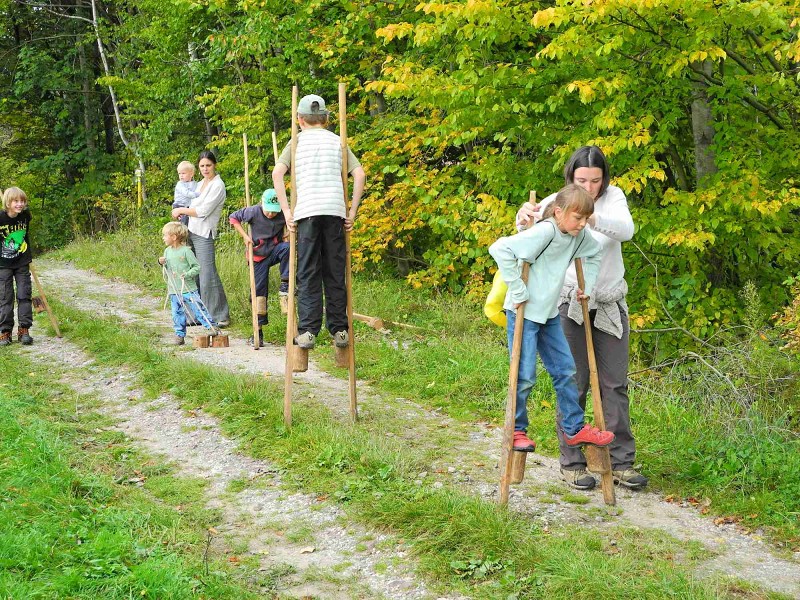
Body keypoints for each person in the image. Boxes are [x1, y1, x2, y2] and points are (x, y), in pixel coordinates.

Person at [517, 145, 647, 491]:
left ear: (604, 179)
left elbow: (627, 230)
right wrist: (524, 219)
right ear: (570, 178)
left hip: (607, 301)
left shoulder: (614, 198)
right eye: (581, 180)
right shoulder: (556, 201)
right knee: (573, 384)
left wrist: (591, 216)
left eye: (595, 180)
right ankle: (573, 463)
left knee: (614, 384)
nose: (589, 188)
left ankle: (619, 462)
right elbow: (526, 237)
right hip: (569, 302)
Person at [490, 184, 615, 455]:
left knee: (566, 371)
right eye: (577, 218)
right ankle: (516, 430)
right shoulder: (545, 232)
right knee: (524, 376)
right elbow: (500, 249)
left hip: (548, 314)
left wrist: (588, 287)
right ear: (559, 212)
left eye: (585, 219)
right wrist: (517, 288)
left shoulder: (578, 236)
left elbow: (594, 254)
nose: (582, 224)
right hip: (523, 311)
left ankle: (574, 429)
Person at [272, 93, 366, 350]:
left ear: (299, 119)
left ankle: (308, 331)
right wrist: (352, 212)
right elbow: (359, 174)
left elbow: (277, 173)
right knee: (335, 271)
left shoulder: (297, 142)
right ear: (325, 119)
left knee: (308, 271)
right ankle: (340, 329)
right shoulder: (338, 141)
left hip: (307, 213)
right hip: (335, 212)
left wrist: (286, 212)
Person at [172, 150, 230, 327]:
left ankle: (220, 316)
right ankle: (197, 315)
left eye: (208, 165)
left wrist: (181, 210)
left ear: (215, 165)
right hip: (191, 230)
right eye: (202, 166)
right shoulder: (199, 184)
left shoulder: (217, 185)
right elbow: (188, 201)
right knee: (192, 274)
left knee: (207, 273)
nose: (205, 169)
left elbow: (203, 211)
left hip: (204, 233)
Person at [228, 188, 290, 346]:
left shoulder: (282, 213)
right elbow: (233, 218)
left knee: (287, 247)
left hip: (273, 251)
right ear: (262, 204)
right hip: (257, 257)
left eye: (274, 212)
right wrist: (245, 236)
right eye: (268, 211)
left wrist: (287, 233)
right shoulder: (253, 212)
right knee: (259, 293)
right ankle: (258, 331)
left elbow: (294, 223)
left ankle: (285, 283)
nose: (271, 215)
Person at [158, 222, 219, 345]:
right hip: (174, 289)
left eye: (165, 235)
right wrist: (161, 262)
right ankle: (179, 335)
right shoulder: (167, 251)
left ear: (174, 237)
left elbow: (196, 267)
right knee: (177, 313)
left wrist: (187, 274)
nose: (163, 238)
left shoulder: (186, 251)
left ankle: (212, 327)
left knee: (198, 308)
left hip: (188, 289)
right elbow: (167, 267)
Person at [0, 187, 33, 346]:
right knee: (6, 297)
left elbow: (25, 236)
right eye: (16, 201)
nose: (20, 204)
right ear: (7, 202)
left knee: (24, 294)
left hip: (22, 261)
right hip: (3, 264)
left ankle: (24, 330)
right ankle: (5, 331)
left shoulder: (25, 216)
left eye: (22, 201)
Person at [173, 160, 199, 227]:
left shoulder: (195, 184)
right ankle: (183, 233)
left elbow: (198, 189)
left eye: (183, 173)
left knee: (191, 221)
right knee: (184, 223)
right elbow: (186, 193)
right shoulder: (180, 184)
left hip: (188, 206)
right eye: (179, 173)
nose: (181, 176)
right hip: (179, 205)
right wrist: (197, 195)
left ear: (191, 174)